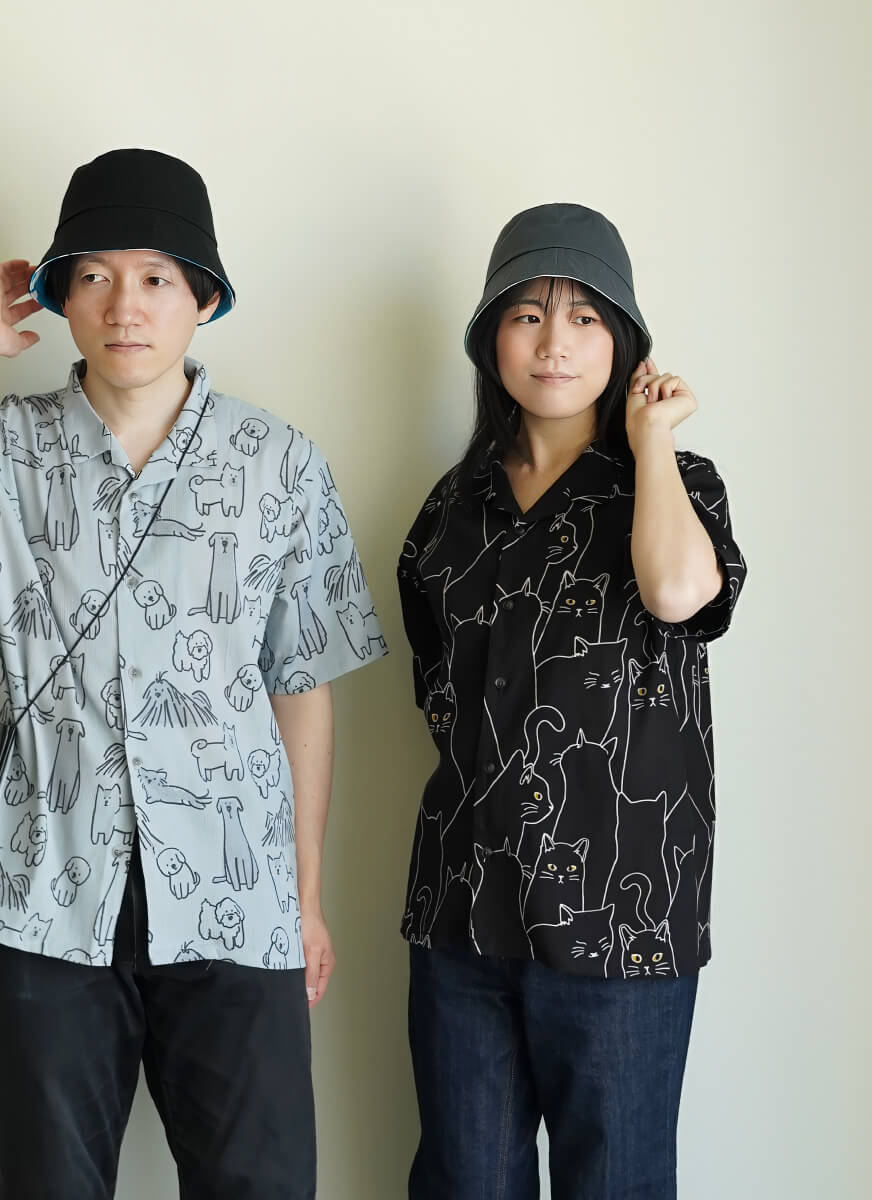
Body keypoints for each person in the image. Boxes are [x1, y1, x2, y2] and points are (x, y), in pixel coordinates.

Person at [0, 147, 387, 1199]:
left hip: (233, 896)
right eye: (94, 277)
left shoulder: (281, 464)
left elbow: (302, 683)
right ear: (61, 298)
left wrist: (304, 896)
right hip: (38, 889)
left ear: (204, 298)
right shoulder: (1, 443)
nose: (126, 305)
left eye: (157, 278)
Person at [397, 203, 746, 1199]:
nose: (554, 341)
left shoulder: (678, 484)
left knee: (617, 1183)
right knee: (464, 1183)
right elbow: (437, 691)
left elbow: (677, 596)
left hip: (625, 922)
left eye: (585, 317)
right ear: (490, 340)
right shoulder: (449, 510)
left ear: (622, 340)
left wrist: (652, 439)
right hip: (463, 915)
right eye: (528, 315)